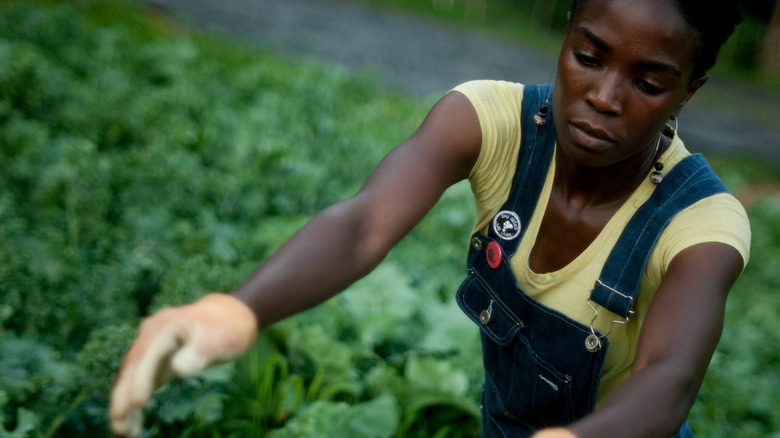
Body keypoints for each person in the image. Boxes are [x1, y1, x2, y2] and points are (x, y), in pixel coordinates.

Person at [109, 0, 751, 436]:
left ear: (689, 90)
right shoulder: (493, 122)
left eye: (648, 83)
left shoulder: (700, 222)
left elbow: (669, 377)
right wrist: (233, 312)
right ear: (566, 36)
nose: (605, 97)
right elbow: (363, 224)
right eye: (589, 56)